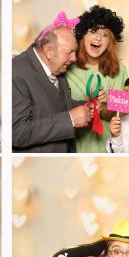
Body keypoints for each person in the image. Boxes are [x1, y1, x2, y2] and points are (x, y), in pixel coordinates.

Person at [12, 13, 92, 153]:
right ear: (48, 51)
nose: (74, 58)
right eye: (70, 52)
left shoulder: (57, 66)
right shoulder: (16, 72)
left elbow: (55, 105)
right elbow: (18, 132)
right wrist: (70, 120)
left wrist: (87, 106)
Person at [66, 6, 127, 152]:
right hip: (73, 150)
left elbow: (118, 114)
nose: (98, 38)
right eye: (93, 31)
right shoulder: (67, 65)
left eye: (105, 35)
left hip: (105, 150)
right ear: (83, 34)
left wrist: (103, 105)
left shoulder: (120, 69)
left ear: (110, 42)